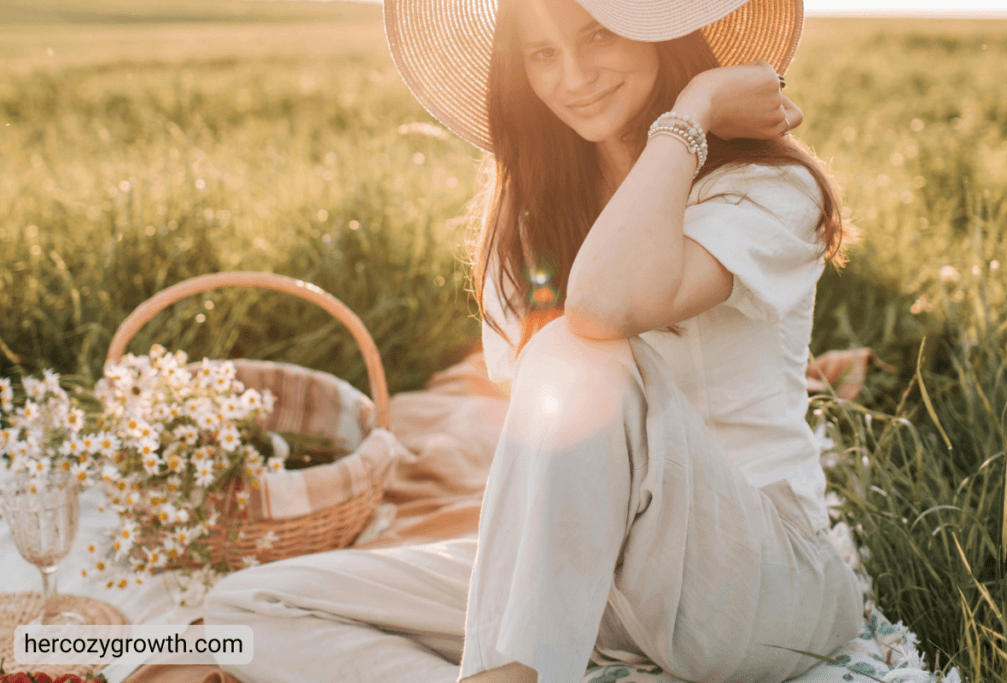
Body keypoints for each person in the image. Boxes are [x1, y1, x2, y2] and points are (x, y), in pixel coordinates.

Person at [202, 0, 866, 681]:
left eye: (599, 35)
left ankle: (514, 670)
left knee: (572, 348)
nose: (573, 75)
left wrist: (692, 112)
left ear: (659, 36)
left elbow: (605, 306)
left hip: (759, 582)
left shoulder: (769, 186)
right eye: (542, 55)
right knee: (250, 608)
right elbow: (551, 453)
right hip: (603, 581)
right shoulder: (528, 217)